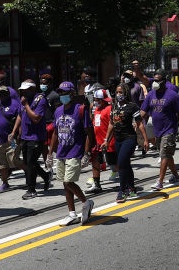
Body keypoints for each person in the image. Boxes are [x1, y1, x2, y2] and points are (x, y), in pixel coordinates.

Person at [50, 81, 94, 225]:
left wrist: (87, 153)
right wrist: (50, 153)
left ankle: (86, 202)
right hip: (61, 152)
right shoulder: (57, 111)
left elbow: (88, 133)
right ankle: (72, 213)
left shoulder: (80, 109)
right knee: (65, 183)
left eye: (65, 93)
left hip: (75, 151)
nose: (62, 95)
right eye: (60, 93)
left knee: (69, 181)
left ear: (72, 94)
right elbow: (55, 133)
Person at [103, 84, 148, 203]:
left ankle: (122, 191)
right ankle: (132, 187)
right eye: (117, 92)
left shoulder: (132, 106)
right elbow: (111, 124)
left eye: (121, 92)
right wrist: (106, 140)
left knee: (121, 163)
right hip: (118, 140)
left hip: (129, 139)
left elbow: (139, 123)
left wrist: (145, 140)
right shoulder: (114, 106)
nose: (119, 94)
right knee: (125, 164)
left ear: (126, 93)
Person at [141, 70, 179, 191]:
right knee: (166, 155)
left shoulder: (172, 95)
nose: (155, 82)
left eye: (157, 80)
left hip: (169, 129)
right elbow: (143, 111)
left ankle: (160, 181)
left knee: (165, 153)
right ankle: (175, 175)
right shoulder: (151, 94)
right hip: (157, 130)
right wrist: (136, 121)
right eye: (154, 80)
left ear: (164, 81)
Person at [15, 80, 52, 199]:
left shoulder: (40, 99)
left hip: (36, 137)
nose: (23, 92)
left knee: (30, 164)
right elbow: (20, 115)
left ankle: (31, 189)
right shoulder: (23, 99)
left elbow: (36, 118)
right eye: (22, 90)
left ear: (32, 89)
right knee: (27, 163)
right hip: (25, 136)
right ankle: (46, 176)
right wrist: (16, 131)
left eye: (25, 90)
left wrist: (26, 105)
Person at [0, 85, 22, 194]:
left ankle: (29, 173)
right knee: (1, 163)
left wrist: (18, 134)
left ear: (8, 93)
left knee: (14, 160)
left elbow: (20, 119)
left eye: (4, 93)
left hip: (11, 140)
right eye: (0, 94)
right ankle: (5, 183)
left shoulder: (15, 104)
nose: (2, 95)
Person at [86, 89, 114, 194]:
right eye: (97, 100)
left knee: (114, 163)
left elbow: (112, 125)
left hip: (109, 141)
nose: (99, 102)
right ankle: (97, 184)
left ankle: (124, 177)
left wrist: (107, 139)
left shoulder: (110, 108)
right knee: (95, 161)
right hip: (97, 141)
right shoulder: (95, 109)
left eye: (101, 100)